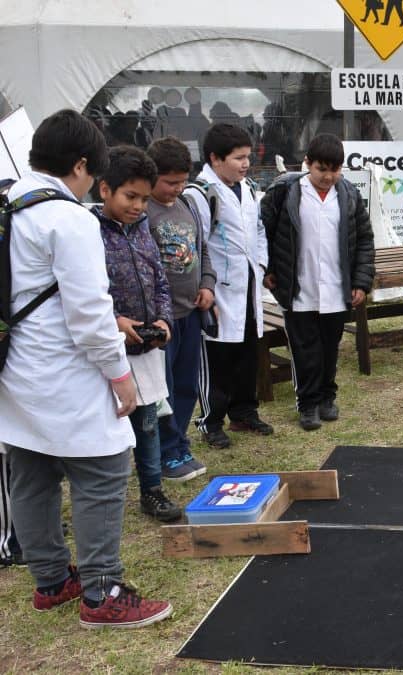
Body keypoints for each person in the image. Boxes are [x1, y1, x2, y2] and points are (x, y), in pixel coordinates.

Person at [0, 109, 172, 628]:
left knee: (30, 471)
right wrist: (120, 377)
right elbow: (91, 313)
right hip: (65, 370)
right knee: (103, 469)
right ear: (80, 165)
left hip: (16, 369)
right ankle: (103, 592)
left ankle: (52, 581)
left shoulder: (8, 201)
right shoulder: (68, 218)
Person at [92, 145, 183, 522]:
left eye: (144, 199)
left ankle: (152, 490)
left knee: (148, 422)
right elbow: (84, 295)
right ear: (103, 189)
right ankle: (101, 499)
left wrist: (163, 319)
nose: (138, 207)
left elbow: (159, 278)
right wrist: (115, 321)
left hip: (146, 346)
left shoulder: (143, 227)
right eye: (130, 196)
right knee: (107, 427)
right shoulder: (88, 231)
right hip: (109, 349)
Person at [261, 134, 375, 430]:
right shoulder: (286, 191)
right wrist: (270, 268)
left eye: (335, 169)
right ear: (307, 164)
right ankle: (308, 403)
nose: (328, 176)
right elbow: (266, 233)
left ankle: (327, 396)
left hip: (337, 287)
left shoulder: (348, 194)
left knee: (330, 346)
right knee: (304, 348)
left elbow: (364, 239)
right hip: (299, 286)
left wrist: (361, 282)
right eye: (322, 169)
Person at [191, 123, 273, 448]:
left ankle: (244, 412)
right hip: (219, 289)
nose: (245, 164)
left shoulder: (249, 189)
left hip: (249, 285)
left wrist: (262, 264)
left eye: (247, 157)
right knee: (219, 355)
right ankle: (211, 420)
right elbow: (196, 243)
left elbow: (260, 231)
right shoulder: (201, 194)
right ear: (215, 158)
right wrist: (204, 285)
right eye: (238, 158)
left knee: (247, 353)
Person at [145, 137, 214, 482]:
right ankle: (164, 452)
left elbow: (203, 249)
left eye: (182, 180)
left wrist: (207, 285)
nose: (177, 187)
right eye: (170, 181)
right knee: (164, 391)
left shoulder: (186, 204)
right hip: (163, 320)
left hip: (191, 314)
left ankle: (178, 443)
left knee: (187, 385)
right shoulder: (143, 212)